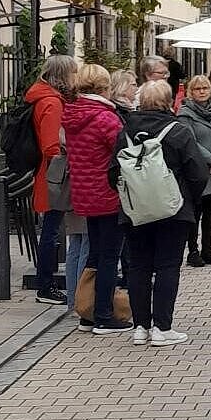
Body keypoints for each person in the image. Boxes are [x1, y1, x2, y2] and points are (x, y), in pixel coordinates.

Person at [116, 80, 210, 345]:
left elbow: (114, 171)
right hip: (173, 211)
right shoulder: (178, 131)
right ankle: (163, 327)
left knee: (139, 266)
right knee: (168, 266)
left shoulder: (124, 131)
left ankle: (140, 327)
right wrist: (187, 198)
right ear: (169, 102)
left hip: (134, 211)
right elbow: (197, 172)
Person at [62, 63, 129, 333]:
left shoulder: (73, 114)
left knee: (95, 254)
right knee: (109, 256)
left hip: (85, 193)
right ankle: (103, 314)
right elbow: (122, 151)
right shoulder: (105, 118)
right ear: (104, 87)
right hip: (107, 193)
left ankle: (87, 312)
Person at [26, 54, 79, 306]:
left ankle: (45, 283)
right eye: (73, 72)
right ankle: (45, 286)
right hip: (54, 175)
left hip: (49, 173)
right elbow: (50, 145)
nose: (76, 78)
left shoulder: (46, 98)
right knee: (51, 231)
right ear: (63, 76)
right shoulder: (51, 102)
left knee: (51, 229)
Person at [178, 74, 211, 267]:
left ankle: (207, 249)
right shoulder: (185, 114)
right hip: (198, 171)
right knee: (195, 212)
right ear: (191, 92)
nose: (202, 92)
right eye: (197, 89)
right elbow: (190, 142)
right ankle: (193, 251)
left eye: (205, 88)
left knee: (210, 212)